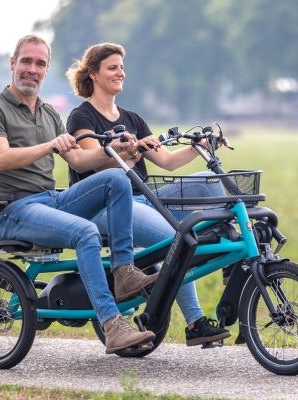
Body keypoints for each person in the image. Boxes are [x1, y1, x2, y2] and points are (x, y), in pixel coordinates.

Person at [0, 35, 159, 354]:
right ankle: (112, 325)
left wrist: (112, 150)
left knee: (115, 178)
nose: (33, 69)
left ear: (46, 70)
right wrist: (49, 145)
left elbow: (79, 160)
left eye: (40, 64)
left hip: (50, 199)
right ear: (12, 64)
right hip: (13, 209)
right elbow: (1, 159)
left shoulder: (48, 113)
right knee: (86, 232)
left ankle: (124, 272)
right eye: (27, 61)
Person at [65, 42, 231, 346]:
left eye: (122, 67)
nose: (120, 73)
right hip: (107, 206)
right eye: (112, 67)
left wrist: (200, 148)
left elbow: (166, 161)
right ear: (94, 74)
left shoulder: (132, 118)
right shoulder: (82, 118)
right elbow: (95, 166)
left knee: (209, 179)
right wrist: (130, 150)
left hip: (143, 198)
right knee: (177, 239)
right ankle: (195, 323)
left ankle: (232, 259)